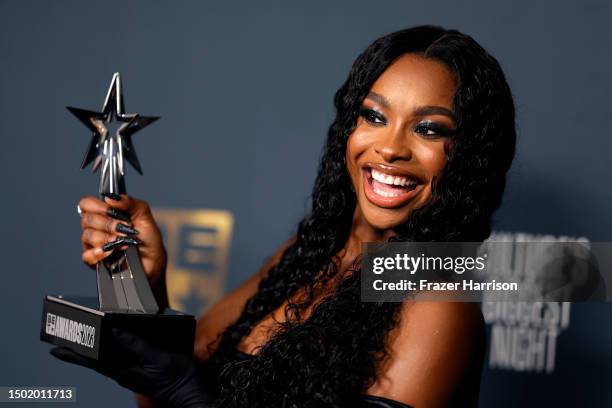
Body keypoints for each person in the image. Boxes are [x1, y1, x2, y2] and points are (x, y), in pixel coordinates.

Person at [53, 25, 516, 407]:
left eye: (428, 129)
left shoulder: (437, 301)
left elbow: (180, 390)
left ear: (468, 160)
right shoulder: (305, 256)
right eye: (374, 116)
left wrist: (182, 390)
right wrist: (147, 290)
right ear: (347, 130)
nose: (390, 148)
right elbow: (163, 393)